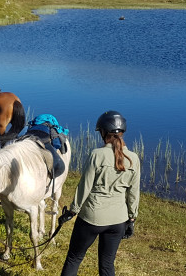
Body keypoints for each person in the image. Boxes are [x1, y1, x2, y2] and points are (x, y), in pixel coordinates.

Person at [58, 110, 140, 276]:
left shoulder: (97, 155)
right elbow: (133, 192)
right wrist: (131, 218)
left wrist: (73, 211)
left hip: (92, 218)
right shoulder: (134, 158)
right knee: (107, 265)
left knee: (74, 258)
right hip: (118, 221)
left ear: (103, 132)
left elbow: (85, 186)